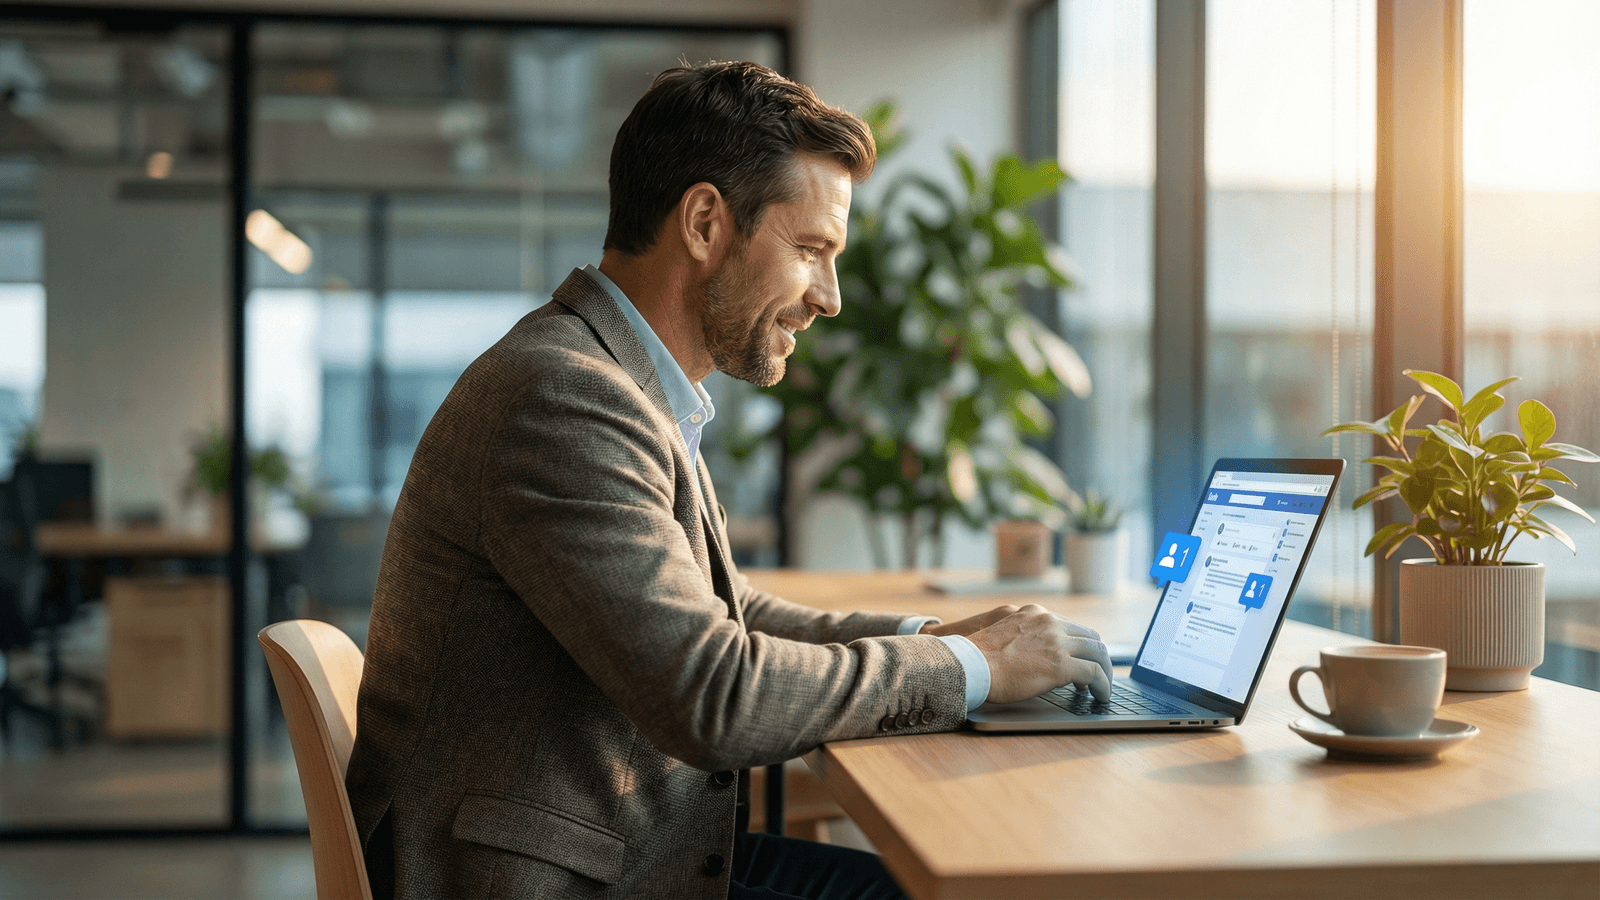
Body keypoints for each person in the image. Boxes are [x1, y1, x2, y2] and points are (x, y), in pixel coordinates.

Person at [345, 60, 1114, 900]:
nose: (830, 298)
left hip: (608, 849)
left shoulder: (622, 381)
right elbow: (714, 694)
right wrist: (973, 669)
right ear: (707, 222)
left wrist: (940, 637)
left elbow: (731, 614)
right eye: (812, 250)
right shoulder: (565, 397)